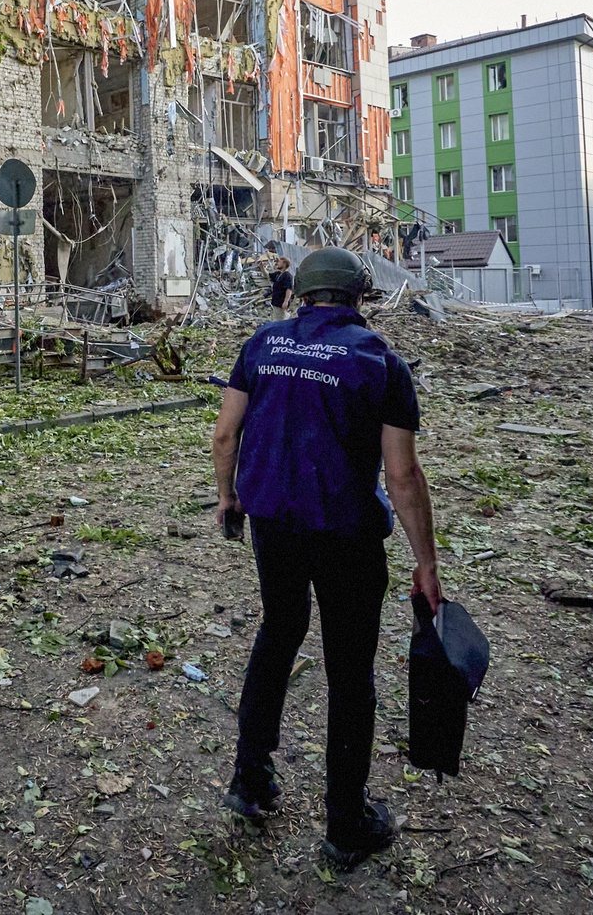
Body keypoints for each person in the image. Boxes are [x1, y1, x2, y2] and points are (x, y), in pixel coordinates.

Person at [211, 247, 442, 869]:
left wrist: (229, 498)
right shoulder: (379, 361)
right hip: (346, 536)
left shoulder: (262, 344)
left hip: (273, 527)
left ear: (300, 294)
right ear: (358, 297)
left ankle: (250, 781)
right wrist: (427, 561)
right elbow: (402, 473)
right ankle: (345, 822)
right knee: (348, 666)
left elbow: (225, 433)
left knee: (278, 633)